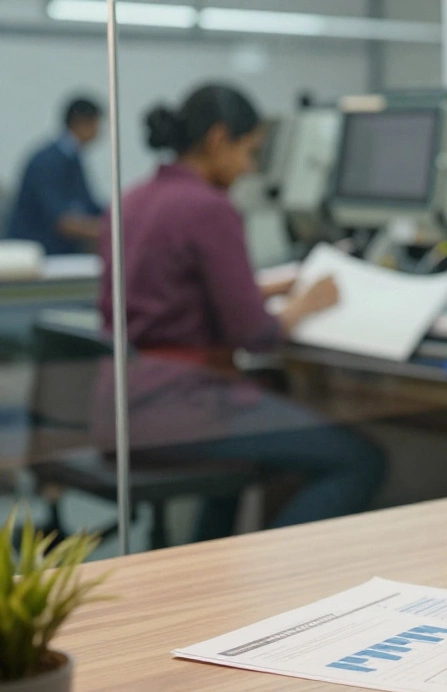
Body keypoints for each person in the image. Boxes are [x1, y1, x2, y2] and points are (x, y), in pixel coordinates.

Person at [97, 83, 386, 542]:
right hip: (181, 406)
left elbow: (169, 293)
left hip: (123, 403)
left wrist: (267, 287)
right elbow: (256, 333)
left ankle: (221, 572)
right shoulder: (208, 208)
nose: (251, 168)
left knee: (252, 455)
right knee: (358, 460)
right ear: (217, 139)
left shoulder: (133, 199)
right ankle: (266, 575)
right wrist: (306, 304)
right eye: (249, 152)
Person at [6, 97, 104, 254]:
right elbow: (62, 222)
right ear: (81, 123)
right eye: (96, 124)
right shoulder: (48, 162)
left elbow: (90, 206)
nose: (99, 132)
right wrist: (107, 231)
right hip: (37, 255)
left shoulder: (72, 158)